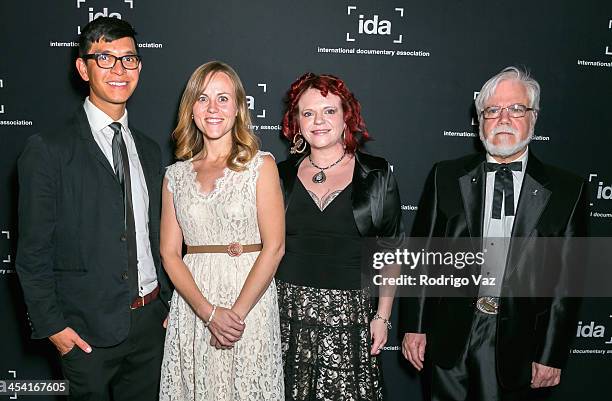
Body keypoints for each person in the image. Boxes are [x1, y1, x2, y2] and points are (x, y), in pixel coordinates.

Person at [400, 66, 588, 400]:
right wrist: (414, 326)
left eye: (516, 109)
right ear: (479, 120)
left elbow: (567, 282)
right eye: (492, 111)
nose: (503, 118)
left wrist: (550, 353)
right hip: (449, 332)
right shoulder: (445, 175)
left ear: (533, 117)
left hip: (516, 337)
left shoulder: (567, 190)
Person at [16, 17, 171, 401]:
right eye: (105, 58)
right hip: (85, 334)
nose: (119, 70)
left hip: (152, 325)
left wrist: (169, 305)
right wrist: (53, 327)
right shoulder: (48, 149)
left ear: (139, 67)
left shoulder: (150, 151)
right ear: (83, 68)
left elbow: (158, 236)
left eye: (129, 59)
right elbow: (33, 251)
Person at [159, 61, 284, 401]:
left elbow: (274, 248)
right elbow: (170, 254)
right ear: (191, 109)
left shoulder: (262, 165)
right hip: (195, 302)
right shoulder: (175, 175)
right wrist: (208, 313)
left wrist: (234, 318)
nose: (213, 108)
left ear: (239, 108)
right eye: (202, 99)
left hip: (250, 303)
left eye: (223, 98)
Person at [276, 72, 403, 400]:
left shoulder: (376, 174)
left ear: (347, 117)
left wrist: (383, 317)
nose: (318, 121)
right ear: (297, 123)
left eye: (328, 111)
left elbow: (391, 251)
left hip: (350, 316)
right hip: (284, 314)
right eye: (308, 113)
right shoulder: (279, 174)